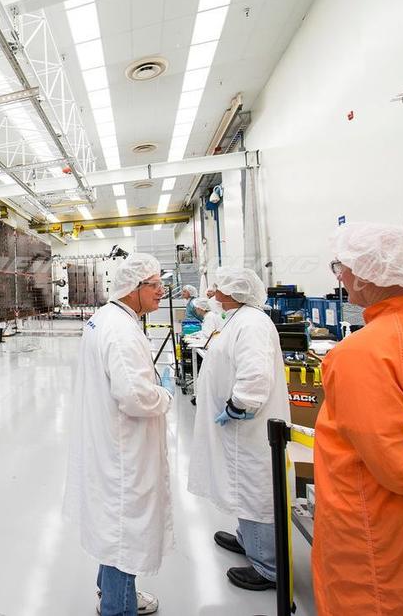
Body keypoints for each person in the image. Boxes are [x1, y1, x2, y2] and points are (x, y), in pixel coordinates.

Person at [313, 223, 403, 616]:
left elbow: (396, 464)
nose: (340, 277)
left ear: (366, 274)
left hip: (385, 536)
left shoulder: (360, 354)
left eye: (341, 267)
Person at [63, 253, 174, 616]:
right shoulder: (122, 330)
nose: (161, 291)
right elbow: (135, 396)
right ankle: (118, 606)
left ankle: (110, 592)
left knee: (114, 524)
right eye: (154, 285)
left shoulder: (105, 318)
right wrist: (164, 395)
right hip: (124, 448)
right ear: (133, 287)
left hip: (110, 441)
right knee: (126, 529)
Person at [188, 267, 290, 591]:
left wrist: (238, 405)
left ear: (235, 293)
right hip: (238, 429)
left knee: (254, 488)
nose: (214, 292)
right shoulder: (239, 318)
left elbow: (255, 374)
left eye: (220, 287)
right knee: (241, 485)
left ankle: (267, 567)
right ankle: (248, 541)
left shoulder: (252, 324)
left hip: (248, 425)